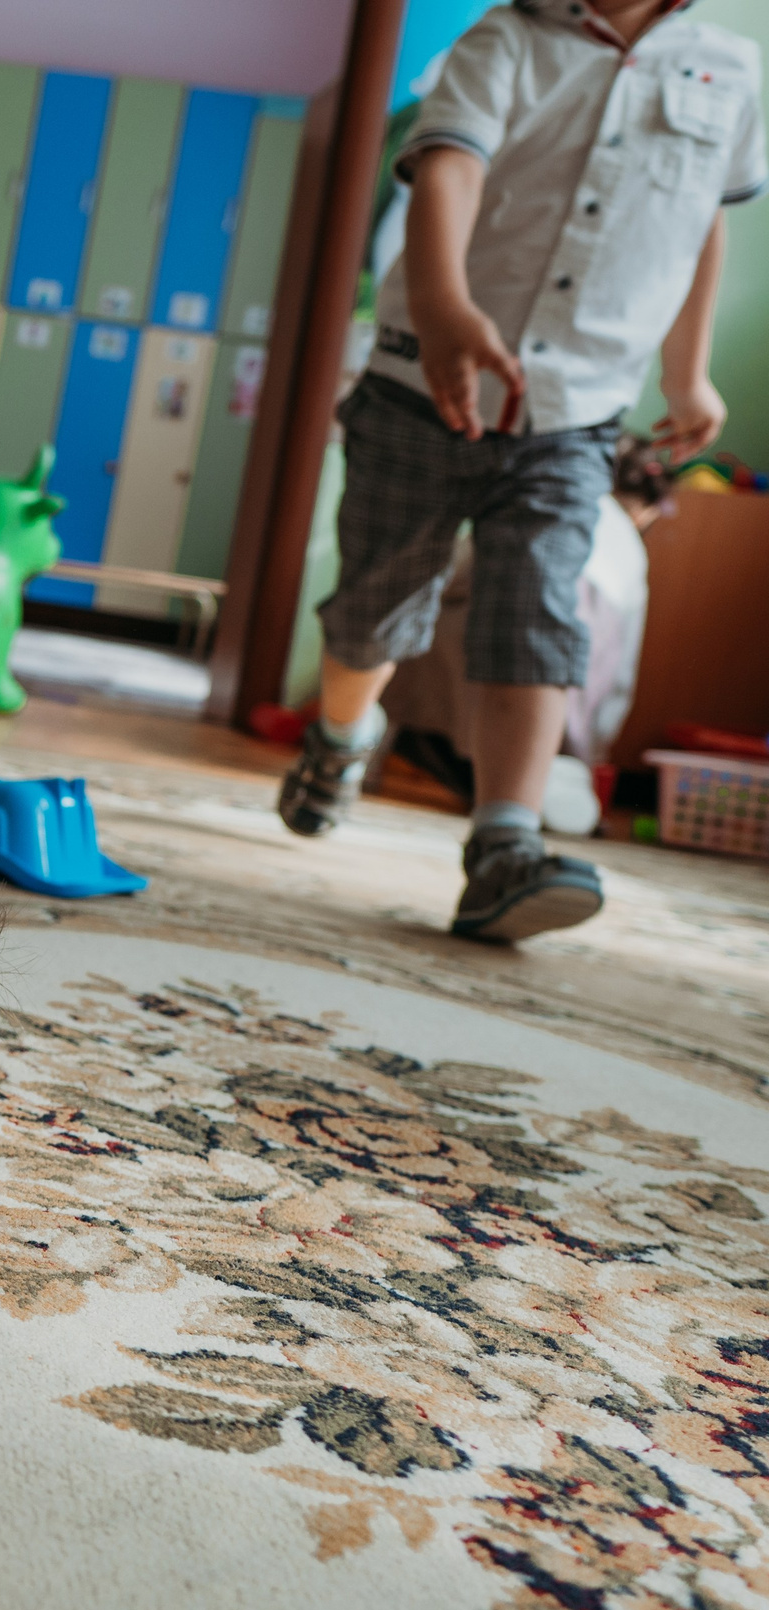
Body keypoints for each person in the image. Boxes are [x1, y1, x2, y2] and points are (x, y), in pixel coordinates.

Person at [277, 0, 762, 940]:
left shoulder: (728, 70)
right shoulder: (503, 41)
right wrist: (446, 306)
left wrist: (688, 371)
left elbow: (704, 220)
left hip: (576, 413)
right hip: (425, 381)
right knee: (377, 607)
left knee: (540, 609)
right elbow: (447, 172)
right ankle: (340, 738)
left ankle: (504, 845)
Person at [382, 434, 672, 827]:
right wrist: (595, 744)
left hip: (473, 654)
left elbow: (454, 574)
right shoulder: (629, 548)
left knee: (438, 630)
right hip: (571, 680)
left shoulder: (540, 499)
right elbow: (624, 660)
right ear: (647, 508)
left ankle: (422, 755)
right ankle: (542, 782)